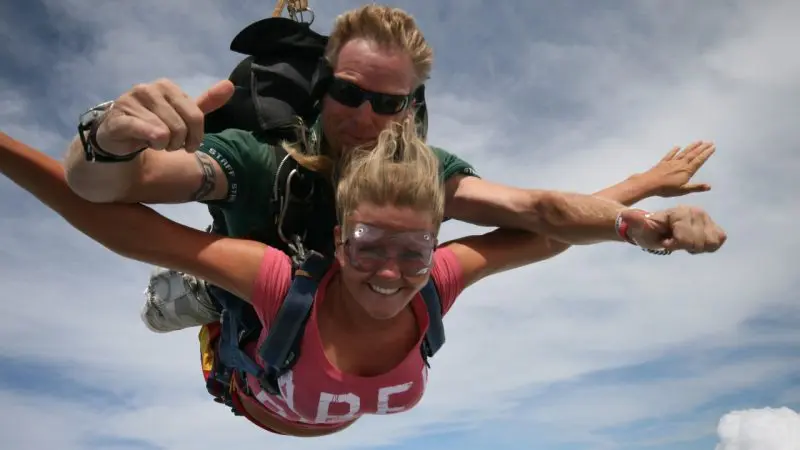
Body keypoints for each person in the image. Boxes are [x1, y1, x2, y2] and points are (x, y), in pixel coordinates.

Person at [0, 120, 725, 436]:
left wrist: (640, 205)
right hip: (247, 373)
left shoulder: (439, 279)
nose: (390, 272)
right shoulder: (282, 280)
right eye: (370, 244)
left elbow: (545, 234)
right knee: (211, 278)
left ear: (435, 242)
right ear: (340, 237)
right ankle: (195, 295)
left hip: (284, 396)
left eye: (414, 249)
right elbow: (115, 224)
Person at [60, 5, 721, 335]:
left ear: (410, 109)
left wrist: (640, 215)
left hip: (339, 314)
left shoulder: (420, 178)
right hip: (251, 309)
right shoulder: (263, 159)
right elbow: (106, 187)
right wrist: (108, 137)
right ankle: (205, 292)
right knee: (190, 302)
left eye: (388, 102)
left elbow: (541, 216)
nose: (365, 117)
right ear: (321, 91)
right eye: (348, 93)